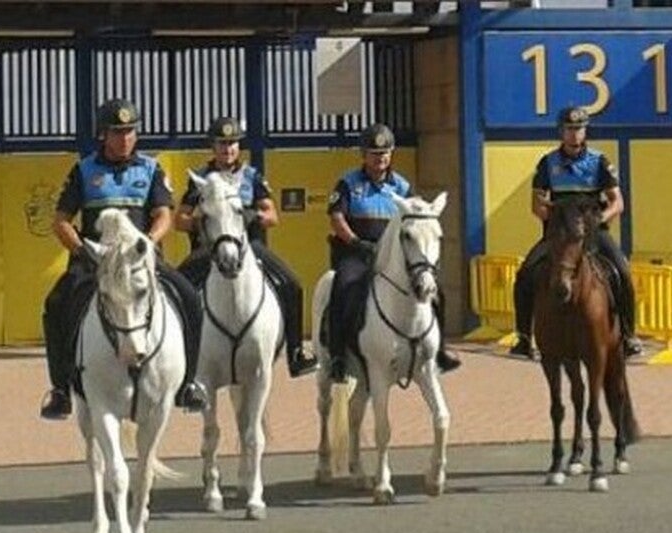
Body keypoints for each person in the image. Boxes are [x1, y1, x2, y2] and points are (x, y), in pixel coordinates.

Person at [39, 98, 208, 420]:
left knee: (189, 297)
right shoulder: (84, 170)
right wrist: (82, 252)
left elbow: (163, 215)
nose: (126, 138)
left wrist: (148, 241)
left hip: (141, 261)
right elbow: (61, 221)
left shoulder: (150, 169)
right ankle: (61, 390)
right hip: (96, 262)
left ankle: (188, 383)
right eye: (118, 132)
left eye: (131, 131)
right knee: (57, 303)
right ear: (103, 134)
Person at [174, 116, 318, 378]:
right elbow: (179, 221)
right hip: (208, 249)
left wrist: (249, 215)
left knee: (292, 284)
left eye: (233, 143)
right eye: (222, 143)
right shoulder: (201, 180)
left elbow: (273, 216)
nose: (228, 149)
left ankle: (296, 353)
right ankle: (182, 359)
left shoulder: (251, 176)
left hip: (249, 247)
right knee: (177, 288)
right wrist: (202, 219)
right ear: (213, 147)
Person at [324, 122, 461, 383]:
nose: (381, 159)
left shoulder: (401, 186)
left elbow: (414, 218)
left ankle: (440, 352)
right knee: (342, 287)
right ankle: (338, 357)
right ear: (363, 155)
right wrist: (355, 242)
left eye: (386, 153)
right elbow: (336, 217)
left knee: (436, 292)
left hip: (393, 256)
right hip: (357, 253)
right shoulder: (348, 183)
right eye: (375, 154)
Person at [509, 105, 642, 360]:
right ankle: (524, 337)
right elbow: (537, 205)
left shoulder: (599, 162)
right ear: (561, 132)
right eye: (569, 129)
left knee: (622, 271)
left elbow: (618, 202)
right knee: (525, 273)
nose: (574, 134)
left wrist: (598, 219)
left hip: (593, 230)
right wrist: (558, 218)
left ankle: (628, 336)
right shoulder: (548, 163)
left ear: (585, 131)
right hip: (558, 233)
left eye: (579, 129)